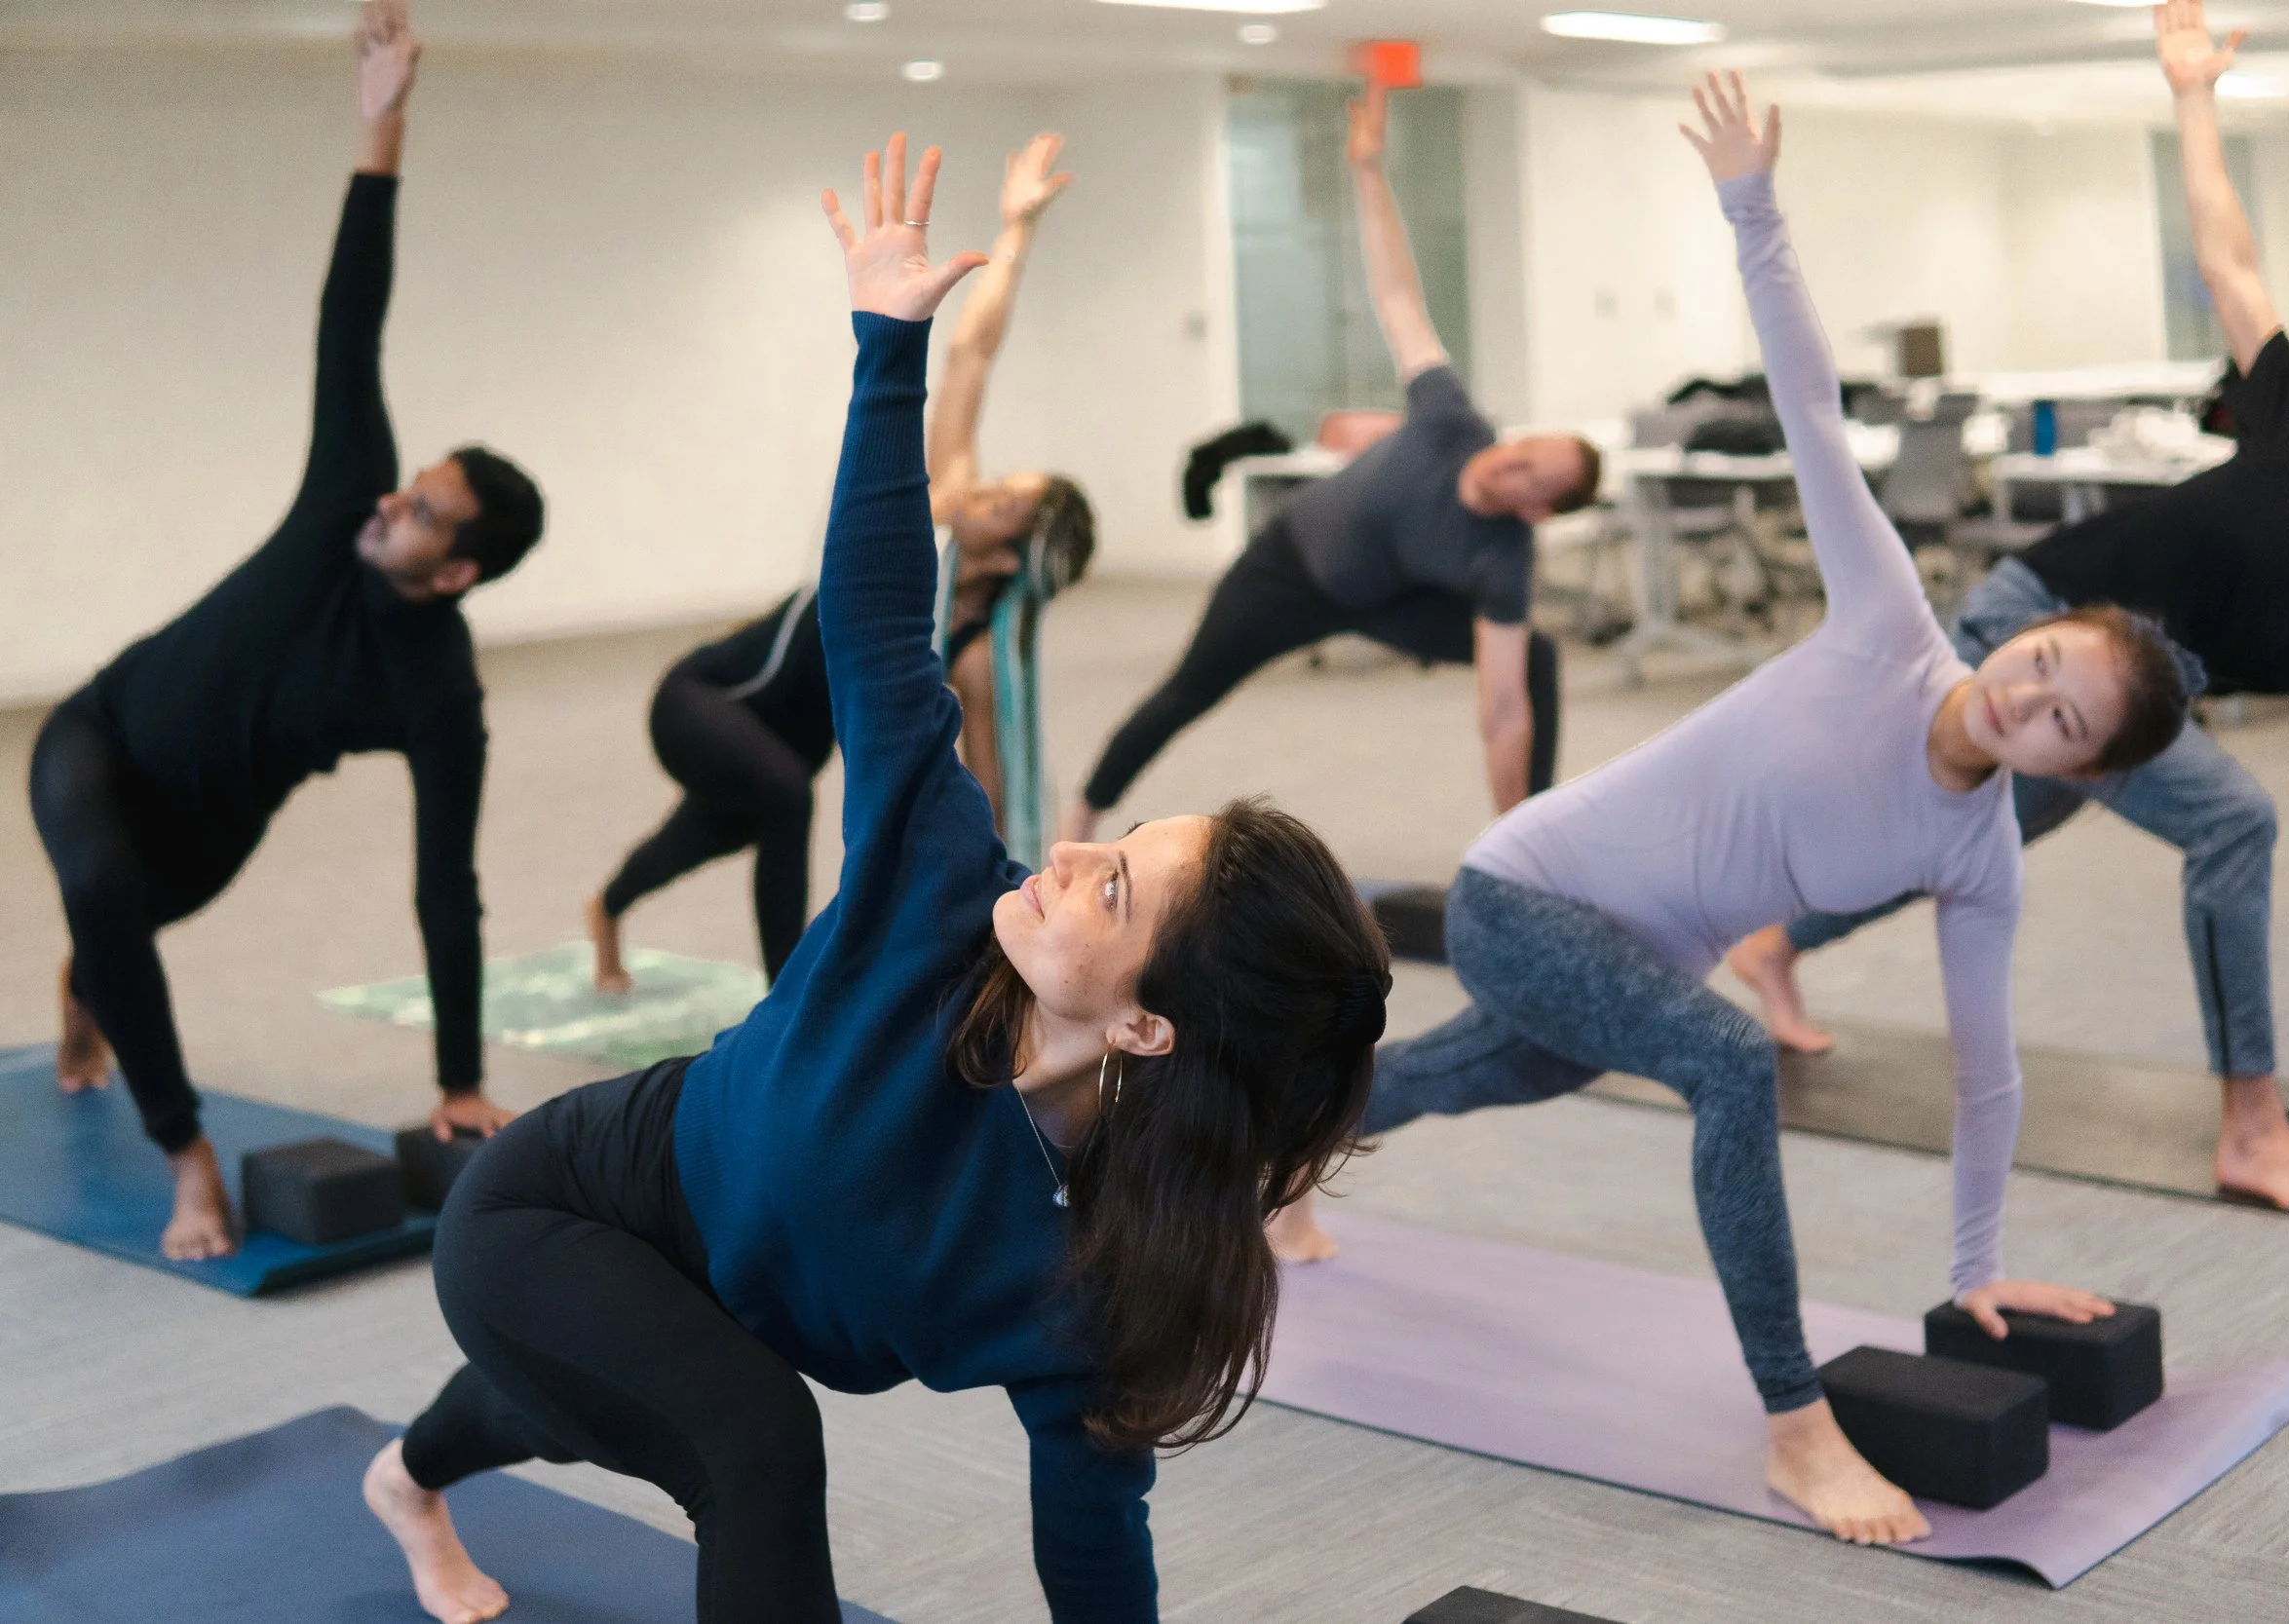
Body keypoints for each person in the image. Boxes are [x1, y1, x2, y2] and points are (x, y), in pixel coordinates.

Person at [362, 134, 1392, 1624]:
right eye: (1113, 839)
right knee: (752, 1440)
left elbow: (1093, 1535)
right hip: (565, 1205)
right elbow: (876, 630)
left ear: (1151, 1025)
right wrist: (885, 350)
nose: (1067, 852)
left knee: (613, 1390)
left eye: (1112, 890)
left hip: (695, 1306)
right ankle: (436, 1455)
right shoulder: (941, 890)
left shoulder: (1107, 1266)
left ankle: (408, 1474)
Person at [1272, 74, 2194, 1546]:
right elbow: (1811, 406)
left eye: (2063, 720)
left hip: (1626, 955)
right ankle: (1793, 1424)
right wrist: (1752, 205)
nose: (2023, 699)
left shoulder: (1977, 857)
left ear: (2075, 770)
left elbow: (1987, 1074)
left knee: (1454, 1077)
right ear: (2021, 633)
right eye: (2039, 662)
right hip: (1524, 890)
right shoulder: (1888, 621)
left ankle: (1246, 1154)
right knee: (1725, 1057)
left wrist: (1976, 1268)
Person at [1729, 0, 2289, 1222]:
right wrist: (2193, 96)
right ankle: (2251, 1129)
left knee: (1983, 829)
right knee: (2233, 820)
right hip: (2041, 620)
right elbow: (2229, 268)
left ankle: (1775, 939)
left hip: (2144, 689)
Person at [32, 0, 545, 1263]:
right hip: (97, 733)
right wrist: (383, 131)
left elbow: (446, 882)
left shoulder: (439, 693)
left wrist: (460, 1076)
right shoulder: (344, 494)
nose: (390, 502)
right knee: (97, 887)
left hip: (212, 827)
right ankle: (187, 1153)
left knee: (117, 930)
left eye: (422, 512)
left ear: (458, 569)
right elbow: (348, 319)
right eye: (408, 484)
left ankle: (87, 988)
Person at [588, 133, 1092, 992]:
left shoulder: (974, 650)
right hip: (708, 695)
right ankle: (787, 995)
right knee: (782, 799)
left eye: (1005, 501)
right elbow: (971, 355)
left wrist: (1012, 912)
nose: (983, 490)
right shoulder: (938, 509)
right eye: (999, 480)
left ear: (1014, 551)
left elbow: (986, 796)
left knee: (718, 827)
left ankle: (606, 909)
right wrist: (1017, 232)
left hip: (788, 735)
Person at [1061, 81, 1601, 845]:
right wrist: (1370, 173)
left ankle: (1525, 845)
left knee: (1533, 658)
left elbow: (1503, 709)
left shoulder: (1505, 557)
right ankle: (1084, 811)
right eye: (1522, 449)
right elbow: (1398, 299)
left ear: (1539, 509)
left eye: (1530, 477)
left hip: (1386, 599)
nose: (1505, 465)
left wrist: (1508, 836)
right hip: (1286, 570)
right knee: (1189, 688)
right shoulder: (1452, 419)